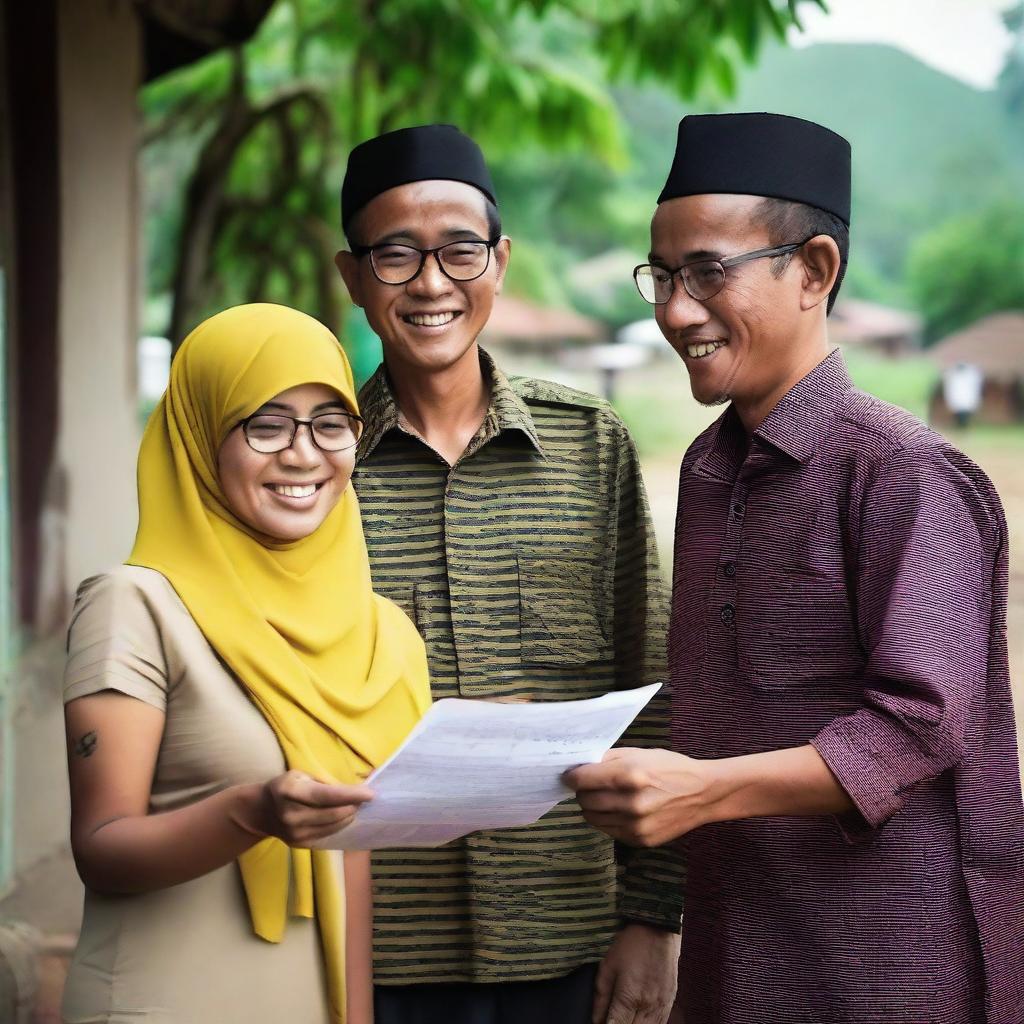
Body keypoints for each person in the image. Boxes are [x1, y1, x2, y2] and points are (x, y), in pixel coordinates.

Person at [565, 113, 1024, 1024]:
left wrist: (702, 791)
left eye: (706, 272)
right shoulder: (706, 470)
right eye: (661, 276)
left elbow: (918, 728)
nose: (673, 310)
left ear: (813, 270)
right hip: (738, 944)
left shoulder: (906, 473)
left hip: (891, 962)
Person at [334, 124, 686, 1024]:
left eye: (458, 249)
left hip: (568, 931)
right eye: (395, 255)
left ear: (500, 261)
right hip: (377, 946)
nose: (431, 283)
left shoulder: (589, 442)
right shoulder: (315, 468)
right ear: (352, 277)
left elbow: (654, 683)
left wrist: (653, 917)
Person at [61, 303, 431, 1024]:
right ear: (201, 436)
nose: (303, 454)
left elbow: (351, 863)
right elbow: (101, 851)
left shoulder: (381, 635)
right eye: (265, 423)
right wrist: (251, 811)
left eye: (331, 423)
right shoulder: (135, 606)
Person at [942, 360, 984, 428]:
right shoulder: (953, 373)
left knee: (965, 414)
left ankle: (964, 426)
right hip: (958, 397)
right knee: (959, 414)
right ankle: (960, 426)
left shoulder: (971, 373)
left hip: (966, 397)